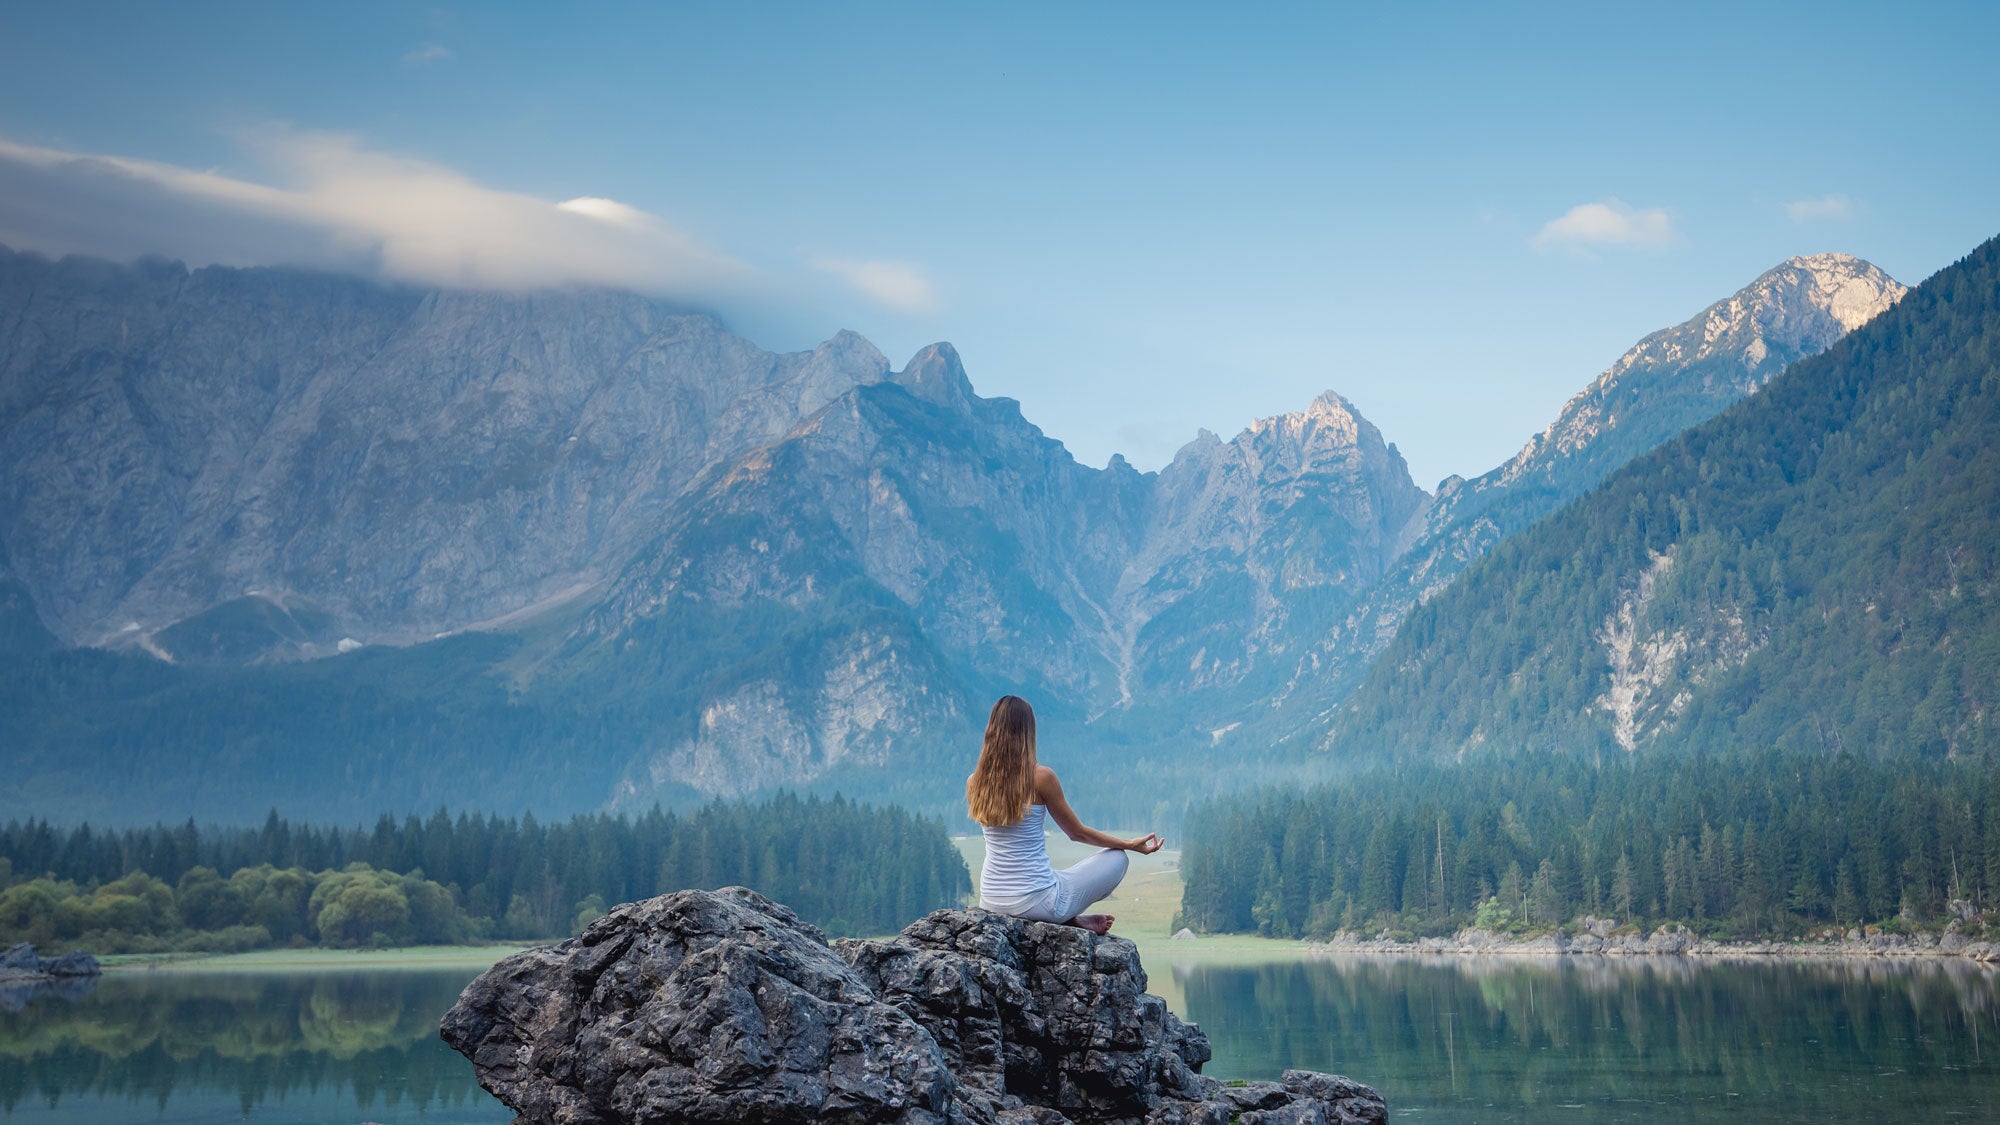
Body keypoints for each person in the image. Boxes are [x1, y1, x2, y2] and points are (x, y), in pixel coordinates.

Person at [965, 694, 1163, 935]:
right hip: (1037, 903)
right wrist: (1129, 844)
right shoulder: (1041, 777)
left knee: (1053, 876)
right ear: (1027, 732)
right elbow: (1077, 833)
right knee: (1118, 859)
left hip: (991, 899)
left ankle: (1071, 919)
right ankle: (1066, 917)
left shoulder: (975, 782)